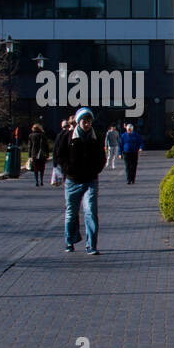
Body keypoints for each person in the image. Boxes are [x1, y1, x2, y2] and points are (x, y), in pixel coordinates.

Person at [57, 108, 106, 254]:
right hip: (73, 180)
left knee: (90, 210)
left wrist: (95, 170)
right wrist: (68, 170)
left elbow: (101, 158)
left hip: (90, 180)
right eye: (84, 121)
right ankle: (70, 240)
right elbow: (60, 155)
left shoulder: (96, 136)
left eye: (89, 121)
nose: (87, 124)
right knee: (71, 212)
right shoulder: (67, 136)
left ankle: (91, 245)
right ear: (78, 122)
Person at [50, 118, 73, 187]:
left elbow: (55, 148)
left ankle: (65, 181)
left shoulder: (59, 135)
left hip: (61, 157)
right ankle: (66, 181)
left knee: (64, 170)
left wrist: (55, 161)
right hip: (68, 156)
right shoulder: (69, 134)